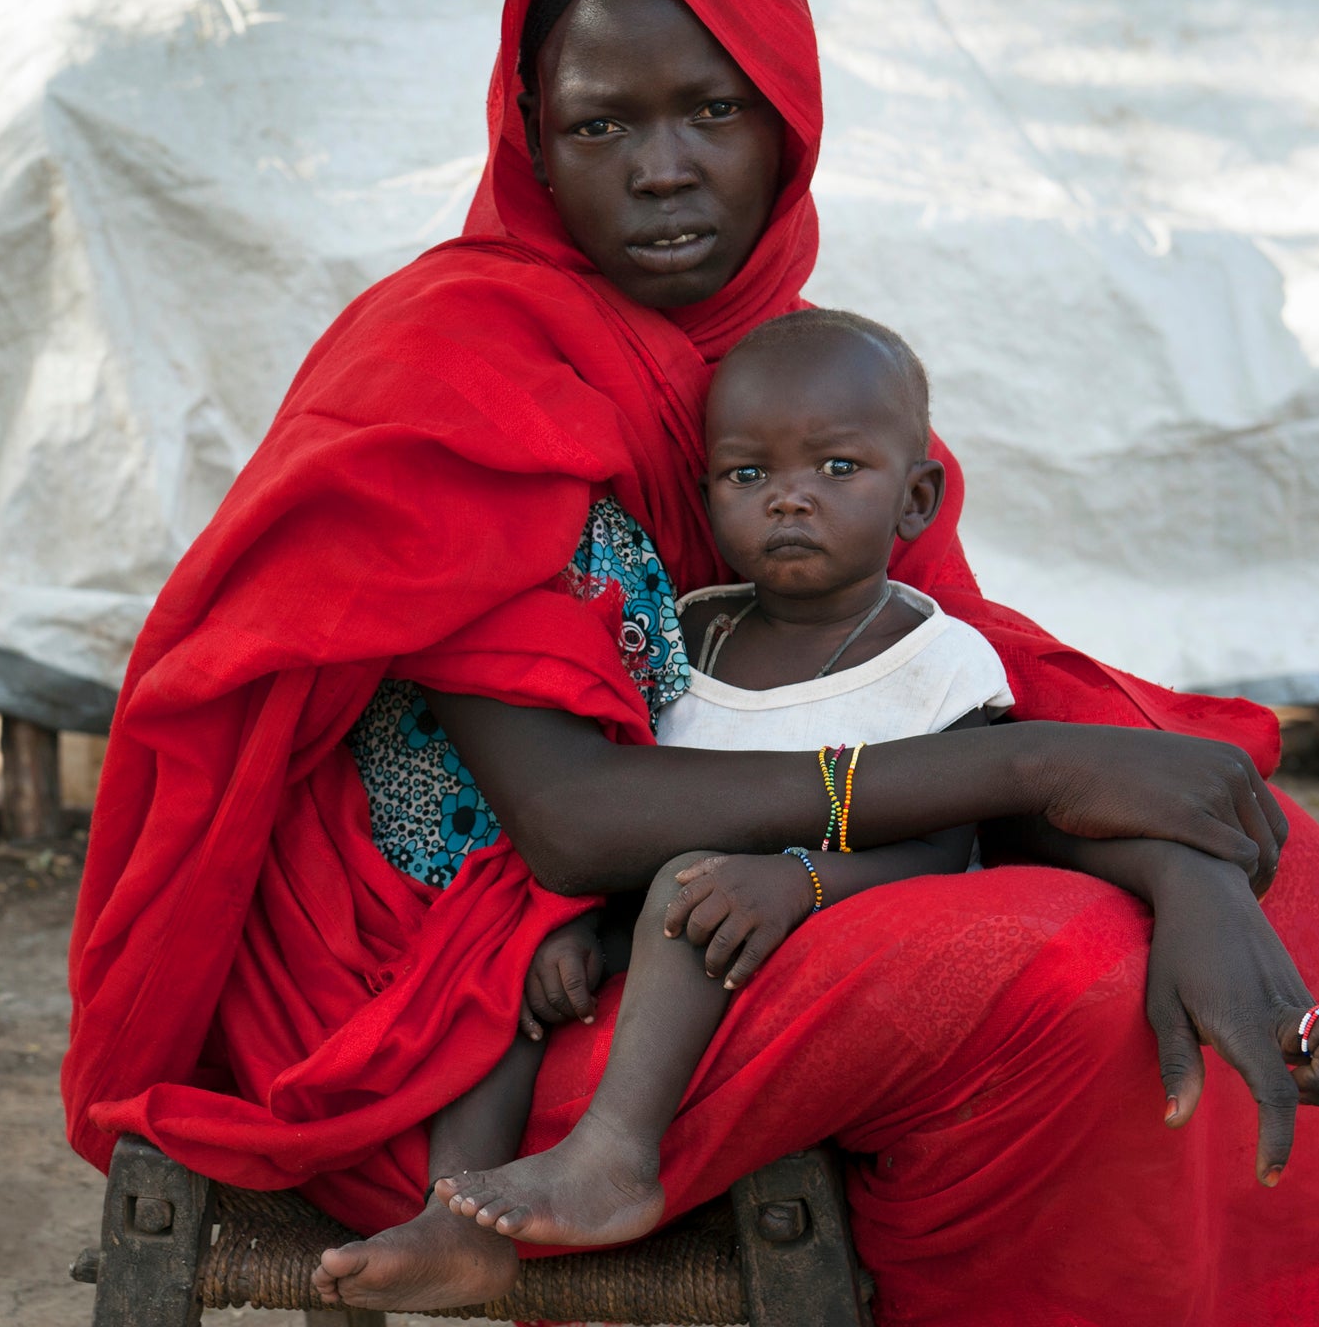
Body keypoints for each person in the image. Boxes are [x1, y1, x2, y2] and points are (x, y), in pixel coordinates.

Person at [65, 0, 1319, 1326]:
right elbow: (574, 818)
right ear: (532, 143)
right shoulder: (457, 371)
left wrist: (1189, 872)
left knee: (1282, 858)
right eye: (601, 125)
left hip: (688, 925)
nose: (665, 167)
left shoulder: (797, 380)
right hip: (476, 1008)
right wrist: (1048, 767)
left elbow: (938, 688)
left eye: (715, 110)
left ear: (790, 124)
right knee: (1059, 969)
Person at [433, 307, 1013, 1249]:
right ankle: (450, 1218)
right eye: (748, 475)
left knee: (689, 878)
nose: (789, 499)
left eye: (837, 469)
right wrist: (576, 928)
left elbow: (950, 849)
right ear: (706, 495)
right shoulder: (686, 632)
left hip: (823, 946)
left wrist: (801, 879)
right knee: (496, 944)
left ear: (916, 501)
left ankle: (614, 1157)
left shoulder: (941, 660)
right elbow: (629, 801)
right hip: (676, 934)